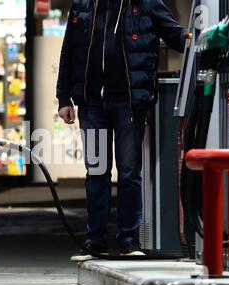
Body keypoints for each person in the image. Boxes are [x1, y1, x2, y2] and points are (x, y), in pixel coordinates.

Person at [56, 0, 189, 261]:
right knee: (97, 172)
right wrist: (63, 98)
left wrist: (199, 40)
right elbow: (69, 51)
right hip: (92, 103)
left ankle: (129, 239)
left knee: (129, 172)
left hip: (128, 102)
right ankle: (95, 241)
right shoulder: (82, 5)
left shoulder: (146, 3)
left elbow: (176, 36)